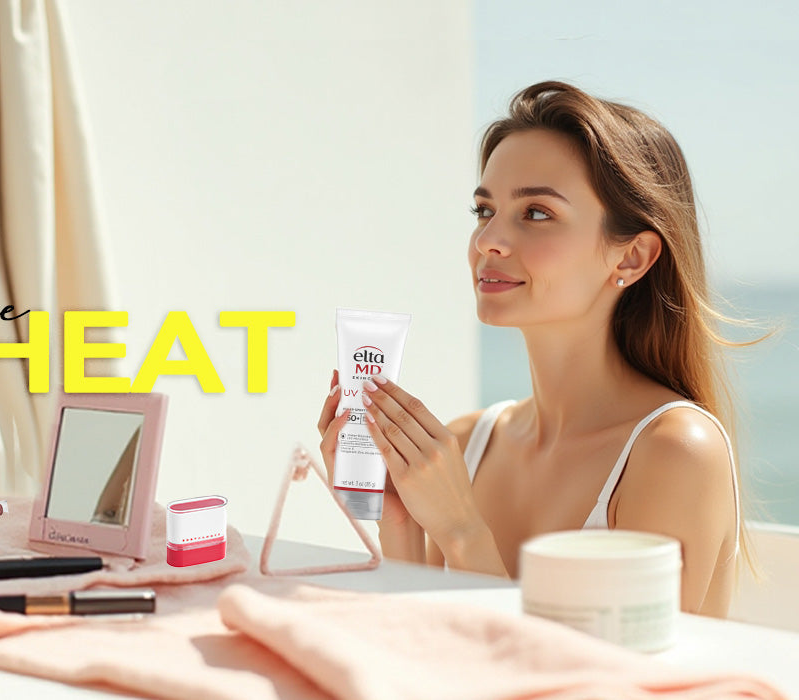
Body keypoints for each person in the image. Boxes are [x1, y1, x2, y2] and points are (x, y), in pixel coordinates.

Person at [318, 81, 747, 617]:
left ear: (632, 258)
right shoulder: (468, 442)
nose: (488, 241)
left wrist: (462, 531)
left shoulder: (675, 452)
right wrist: (398, 518)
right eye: (484, 211)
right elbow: (424, 647)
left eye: (537, 213)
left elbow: (608, 683)